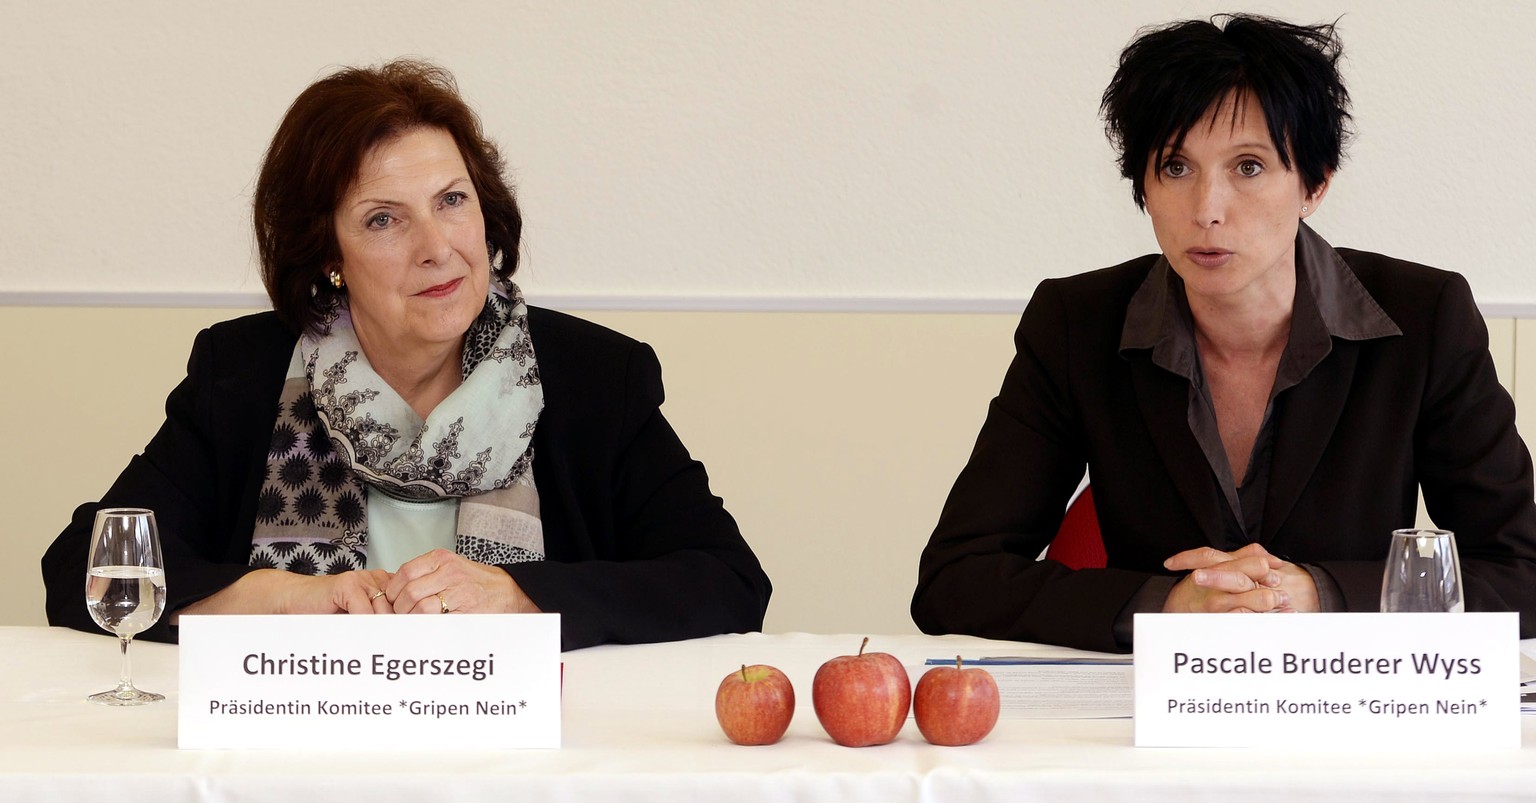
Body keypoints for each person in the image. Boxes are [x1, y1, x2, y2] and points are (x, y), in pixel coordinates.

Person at [42, 59, 771, 651]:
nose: (436, 247)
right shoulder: (243, 374)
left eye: (452, 200)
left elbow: (728, 580)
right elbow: (87, 567)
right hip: (295, 756)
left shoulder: (593, 377)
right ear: (327, 253)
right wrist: (277, 596)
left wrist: (520, 596)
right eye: (385, 219)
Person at [911, 14, 1536, 653]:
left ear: (1314, 185)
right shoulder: (1078, 321)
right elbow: (954, 578)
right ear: (1143, 187)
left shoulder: (1426, 316)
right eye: (1176, 167)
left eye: (1248, 166)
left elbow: (1522, 573)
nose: (1207, 208)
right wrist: (1165, 606)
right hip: (1154, 719)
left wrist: (1321, 596)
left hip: (1355, 712)